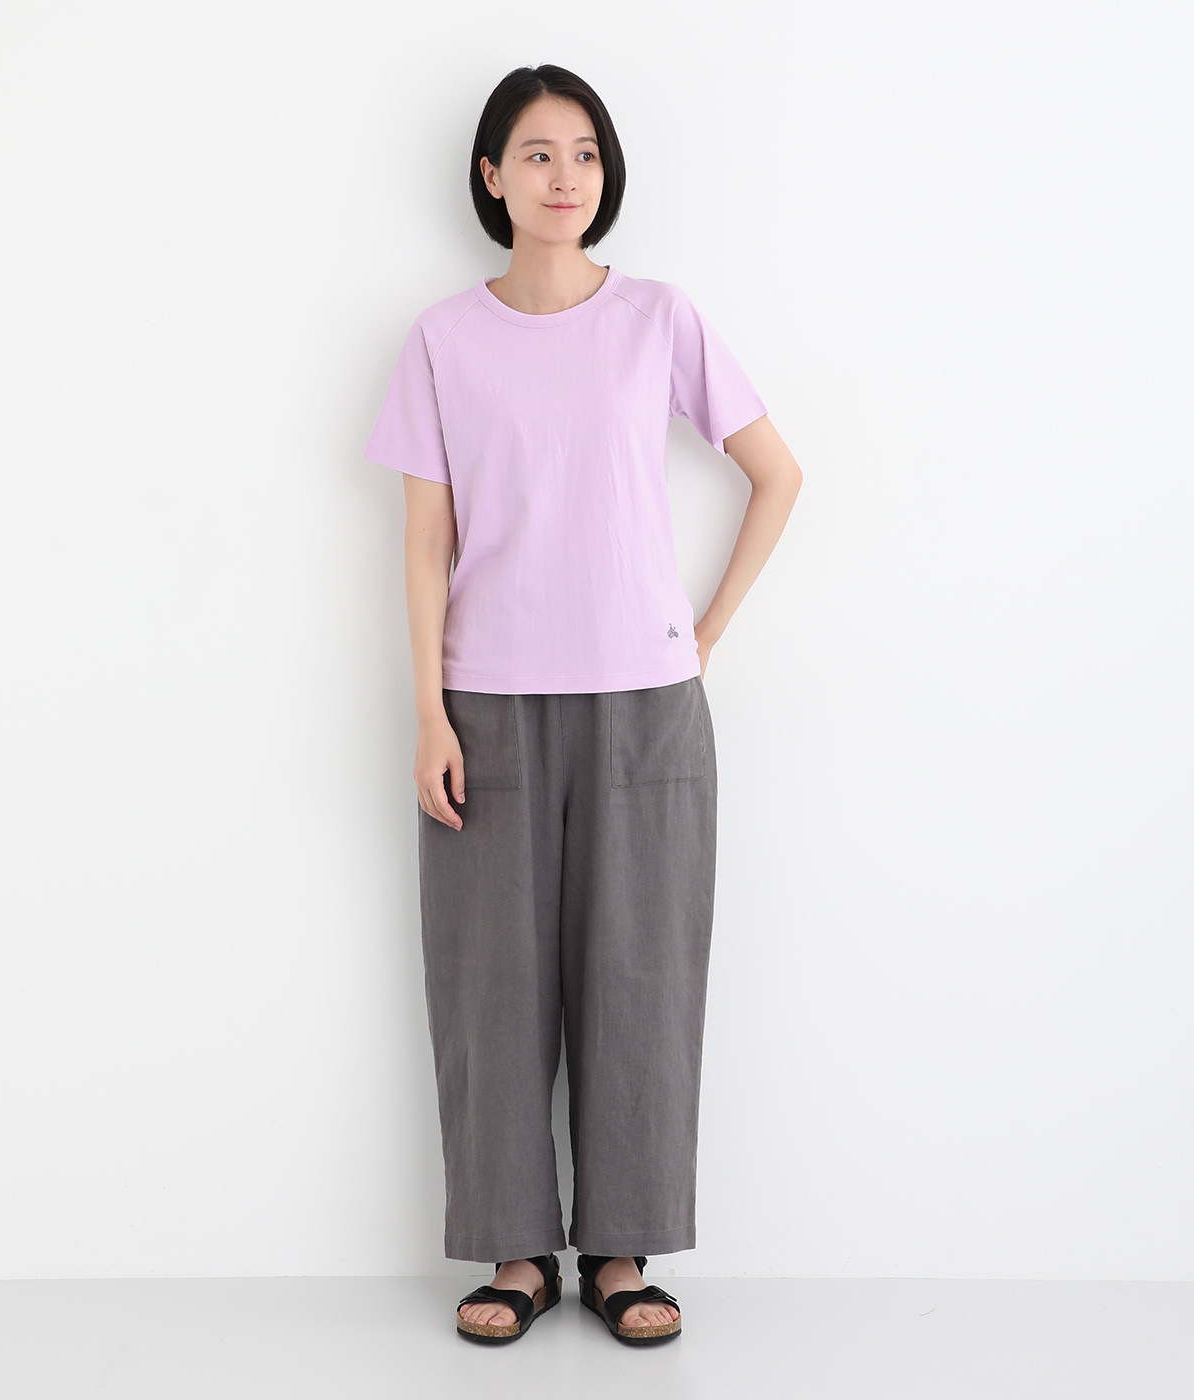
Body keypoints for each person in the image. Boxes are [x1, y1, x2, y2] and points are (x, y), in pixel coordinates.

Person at [363, 63, 802, 1347]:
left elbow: (777, 474)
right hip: (486, 705)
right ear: (492, 176)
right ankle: (517, 1248)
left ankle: (619, 1248)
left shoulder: (659, 318)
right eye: (539, 154)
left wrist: (704, 632)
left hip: (645, 704)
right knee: (489, 984)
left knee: (640, 976)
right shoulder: (443, 339)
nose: (566, 177)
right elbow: (425, 540)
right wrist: (429, 712)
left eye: (587, 154)